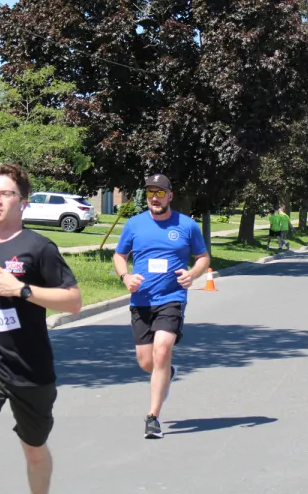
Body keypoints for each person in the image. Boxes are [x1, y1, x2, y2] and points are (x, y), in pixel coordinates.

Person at [0, 163, 82, 494]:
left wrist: (22, 289)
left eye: (5, 194)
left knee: (34, 449)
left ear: (23, 202)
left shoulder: (39, 248)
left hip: (30, 363)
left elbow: (73, 301)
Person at [112, 173, 210, 439]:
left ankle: (152, 417)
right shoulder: (135, 224)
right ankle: (167, 373)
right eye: (150, 193)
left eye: (159, 193)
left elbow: (203, 256)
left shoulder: (187, 225)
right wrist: (125, 277)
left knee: (163, 348)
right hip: (141, 300)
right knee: (147, 362)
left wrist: (193, 273)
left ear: (170, 195)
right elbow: (119, 255)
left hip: (172, 298)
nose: (154, 198)